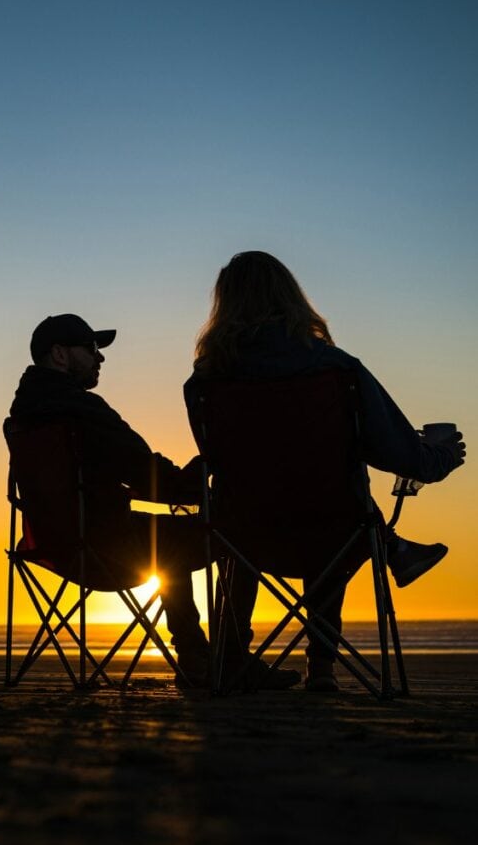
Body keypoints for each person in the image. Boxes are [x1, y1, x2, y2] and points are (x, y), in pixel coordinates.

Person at [184, 252, 466, 692]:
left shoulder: (204, 384)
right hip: (332, 531)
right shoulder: (337, 370)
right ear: (292, 297)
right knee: (333, 512)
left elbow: (221, 460)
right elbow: (404, 457)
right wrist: (441, 454)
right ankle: (322, 670)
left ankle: (231, 661)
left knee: (253, 514)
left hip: (243, 535)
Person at [8, 312, 300, 690]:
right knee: (237, 535)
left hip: (56, 546)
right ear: (60, 355)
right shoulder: (81, 410)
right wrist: (204, 475)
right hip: (110, 547)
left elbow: (121, 480)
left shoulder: (23, 417)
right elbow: (147, 473)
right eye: (92, 348)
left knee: (169, 540)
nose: (100, 358)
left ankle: (196, 656)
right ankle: (229, 659)